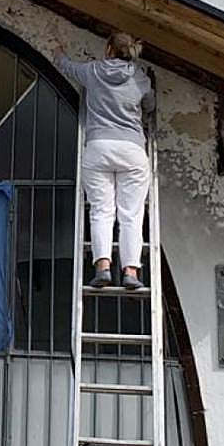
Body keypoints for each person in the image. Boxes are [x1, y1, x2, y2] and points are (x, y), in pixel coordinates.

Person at [53, 33, 155, 290]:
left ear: (108, 49)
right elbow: (151, 105)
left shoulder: (92, 71)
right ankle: (131, 272)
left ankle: (103, 267)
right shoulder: (139, 76)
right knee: (131, 213)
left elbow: (66, 67)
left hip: (98, 147)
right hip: (132, 149)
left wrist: (59, 51)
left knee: (101, 211)